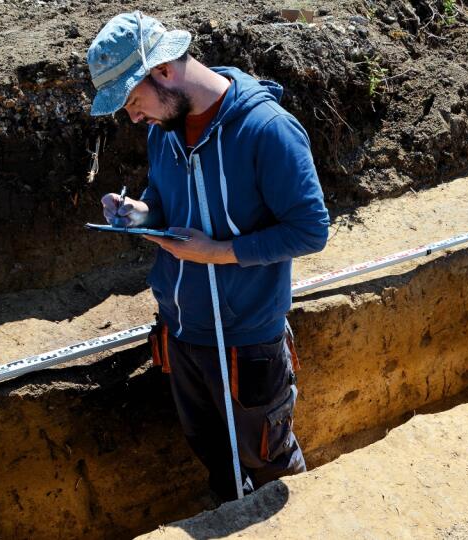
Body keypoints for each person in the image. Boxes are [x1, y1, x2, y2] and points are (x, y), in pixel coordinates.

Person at [86, 11, 329, 502]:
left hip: (246, 343)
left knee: (269, 462)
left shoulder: (267, 131)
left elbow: (310, 230)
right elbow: (164, 200)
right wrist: (138, 213)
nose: (133, 117)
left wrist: (217, 253)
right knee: (216, 458)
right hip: (181, 334)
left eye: (133, 101)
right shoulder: (166, 130)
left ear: (164, 72)